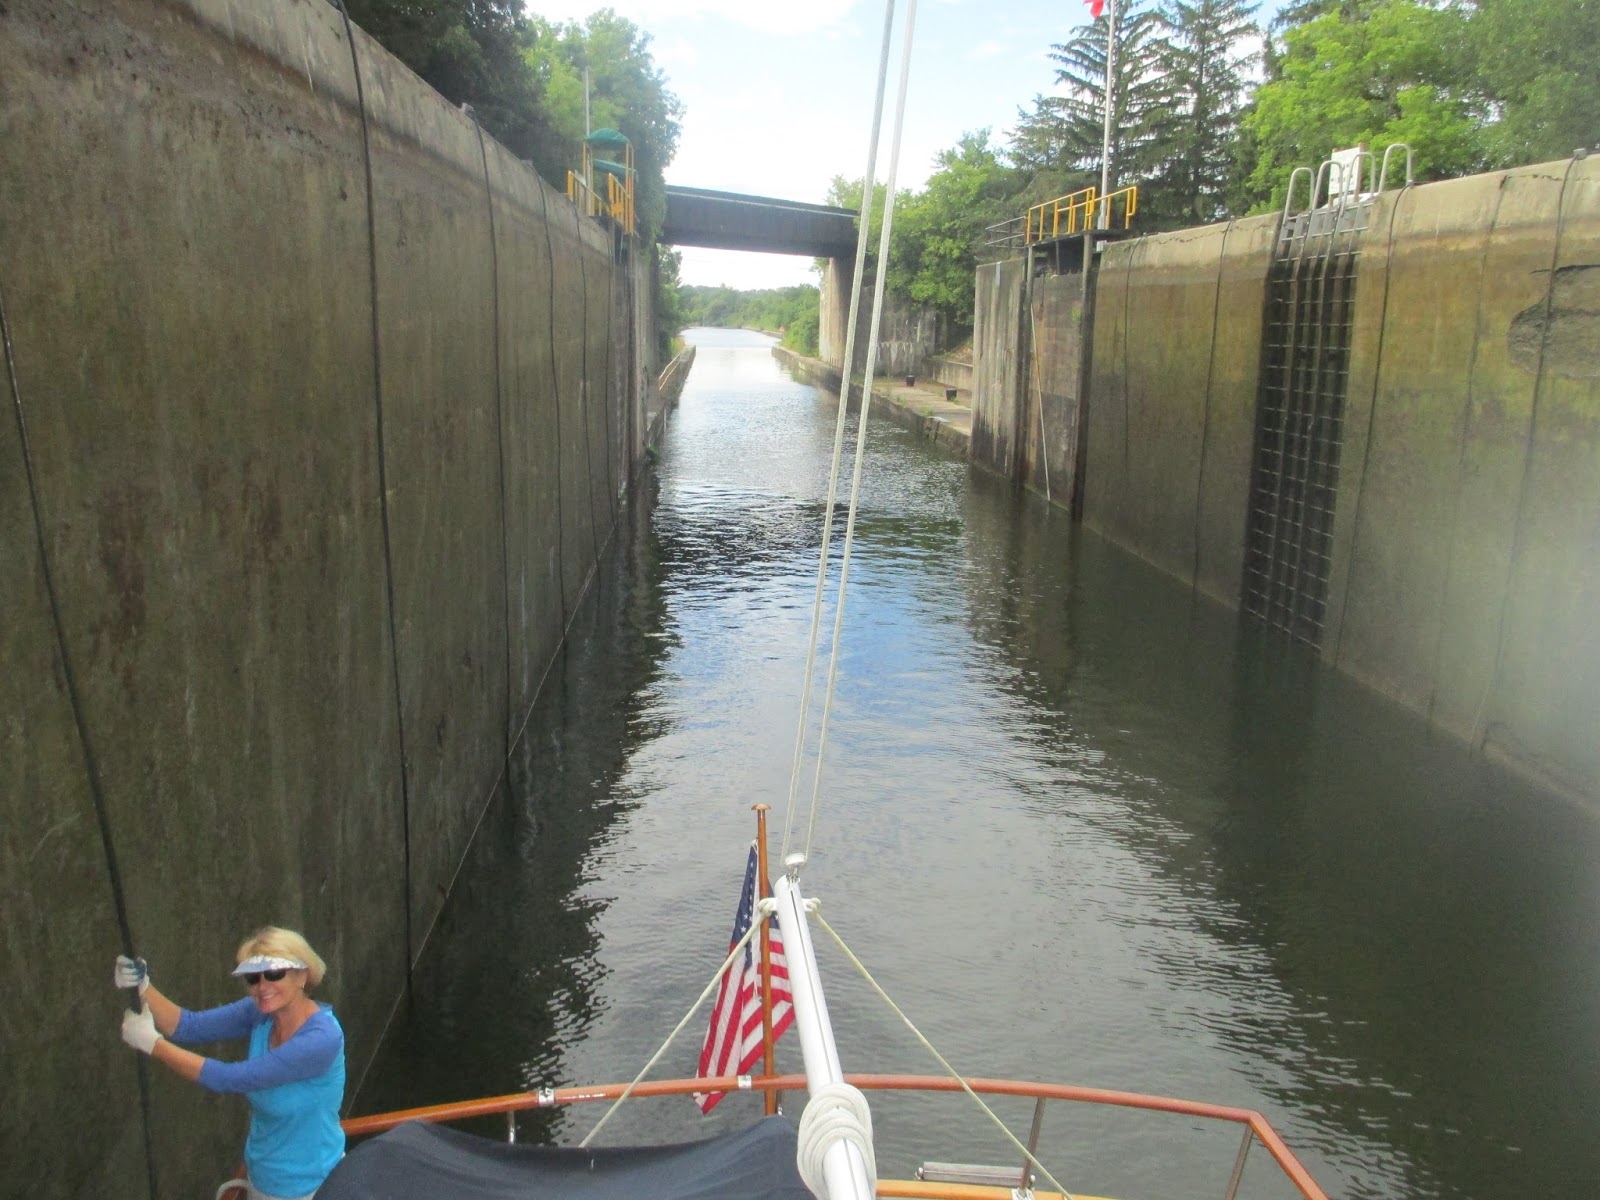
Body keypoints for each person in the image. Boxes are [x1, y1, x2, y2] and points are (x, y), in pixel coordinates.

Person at [116, 927, 345, 1200]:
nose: (262, 987)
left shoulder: (322, 1038)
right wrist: (143, 988)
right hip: (262, 1177)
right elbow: (188, 1026)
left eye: (274, 974)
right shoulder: (260, 1012)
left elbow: (230, 1079)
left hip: (313, 1187)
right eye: (253, 977)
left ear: (302, 975)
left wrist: (153, 1044)